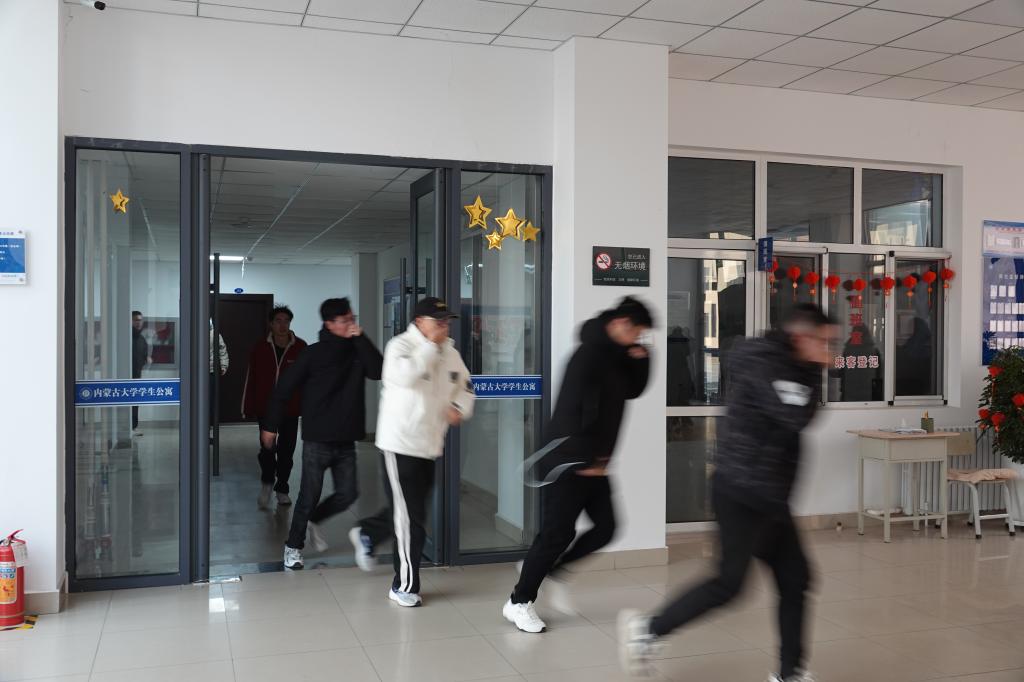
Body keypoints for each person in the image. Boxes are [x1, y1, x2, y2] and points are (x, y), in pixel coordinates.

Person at [618, 304, 838, 682]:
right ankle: (647, 631)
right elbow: (796, 416)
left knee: (795, 579)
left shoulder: (794, 368)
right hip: (742, 492)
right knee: (729, 584)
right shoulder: (767, 364)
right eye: (825, 342)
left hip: (769, 497)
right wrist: (814, 369)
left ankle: (790, 672)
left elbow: (802, 412)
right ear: (802, 338)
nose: (830, 352)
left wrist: (812, 368)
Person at [502, 296, 652, 633]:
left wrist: (642, 359)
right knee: (556, 534)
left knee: (607, 527)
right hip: (569, 460)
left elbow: (633, 390)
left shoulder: (618, 354)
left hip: (595, 462)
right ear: (621, 324)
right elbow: (572, 411)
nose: (638, 339)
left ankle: (554, 571)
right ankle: (518, 602)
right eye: (637, 332)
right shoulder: (588, 356)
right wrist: (583, 459)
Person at [349, 297, 475, 607]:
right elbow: (403, 377)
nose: (444, 326)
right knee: (411, 520)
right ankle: (404, 585)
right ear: (419, 322)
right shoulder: (400, 347)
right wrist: (430, 347)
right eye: (437, 320)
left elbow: (465, 386)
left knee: (410, 511)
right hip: (399, 444)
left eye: (446, 321)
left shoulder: (451, 353)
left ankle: (368, 533)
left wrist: (459, 408)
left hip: (430, 445)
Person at [261, 298, 383, 570]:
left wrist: (361, 338)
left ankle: (316, 518)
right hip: (317, 439)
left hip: (346, 439)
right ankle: (293, 547)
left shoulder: (357, 350)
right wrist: (270, 426)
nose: (351, 323)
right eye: (345, 320)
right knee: (308, 496)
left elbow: (378, 370)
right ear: (329, 324)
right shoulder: (312, 354)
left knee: (348, 494)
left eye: (352, 318)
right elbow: (283, 389)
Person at [243, 305, 307, 510]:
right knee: (267, 449)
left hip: (290, 408)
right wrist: (248, 405)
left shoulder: (300, 347)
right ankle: (267, 482)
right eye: (278, 321)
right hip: (266, 408)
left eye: (286, 321)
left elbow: (307, 379)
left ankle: (282, 488)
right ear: (271, 324)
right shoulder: (260, 347)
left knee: (287, 451)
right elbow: (251, 379)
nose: (282, 325)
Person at [131, 311, 151, 434]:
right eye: (136, 320)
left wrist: (147, 359)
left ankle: (133, 426)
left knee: (135, 401)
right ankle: (129, 426)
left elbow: (144, 355)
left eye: (140, 320)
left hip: (137, 375)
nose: (139, 323)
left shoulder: (142, 339)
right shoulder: (126, 337)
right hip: (125, 376)